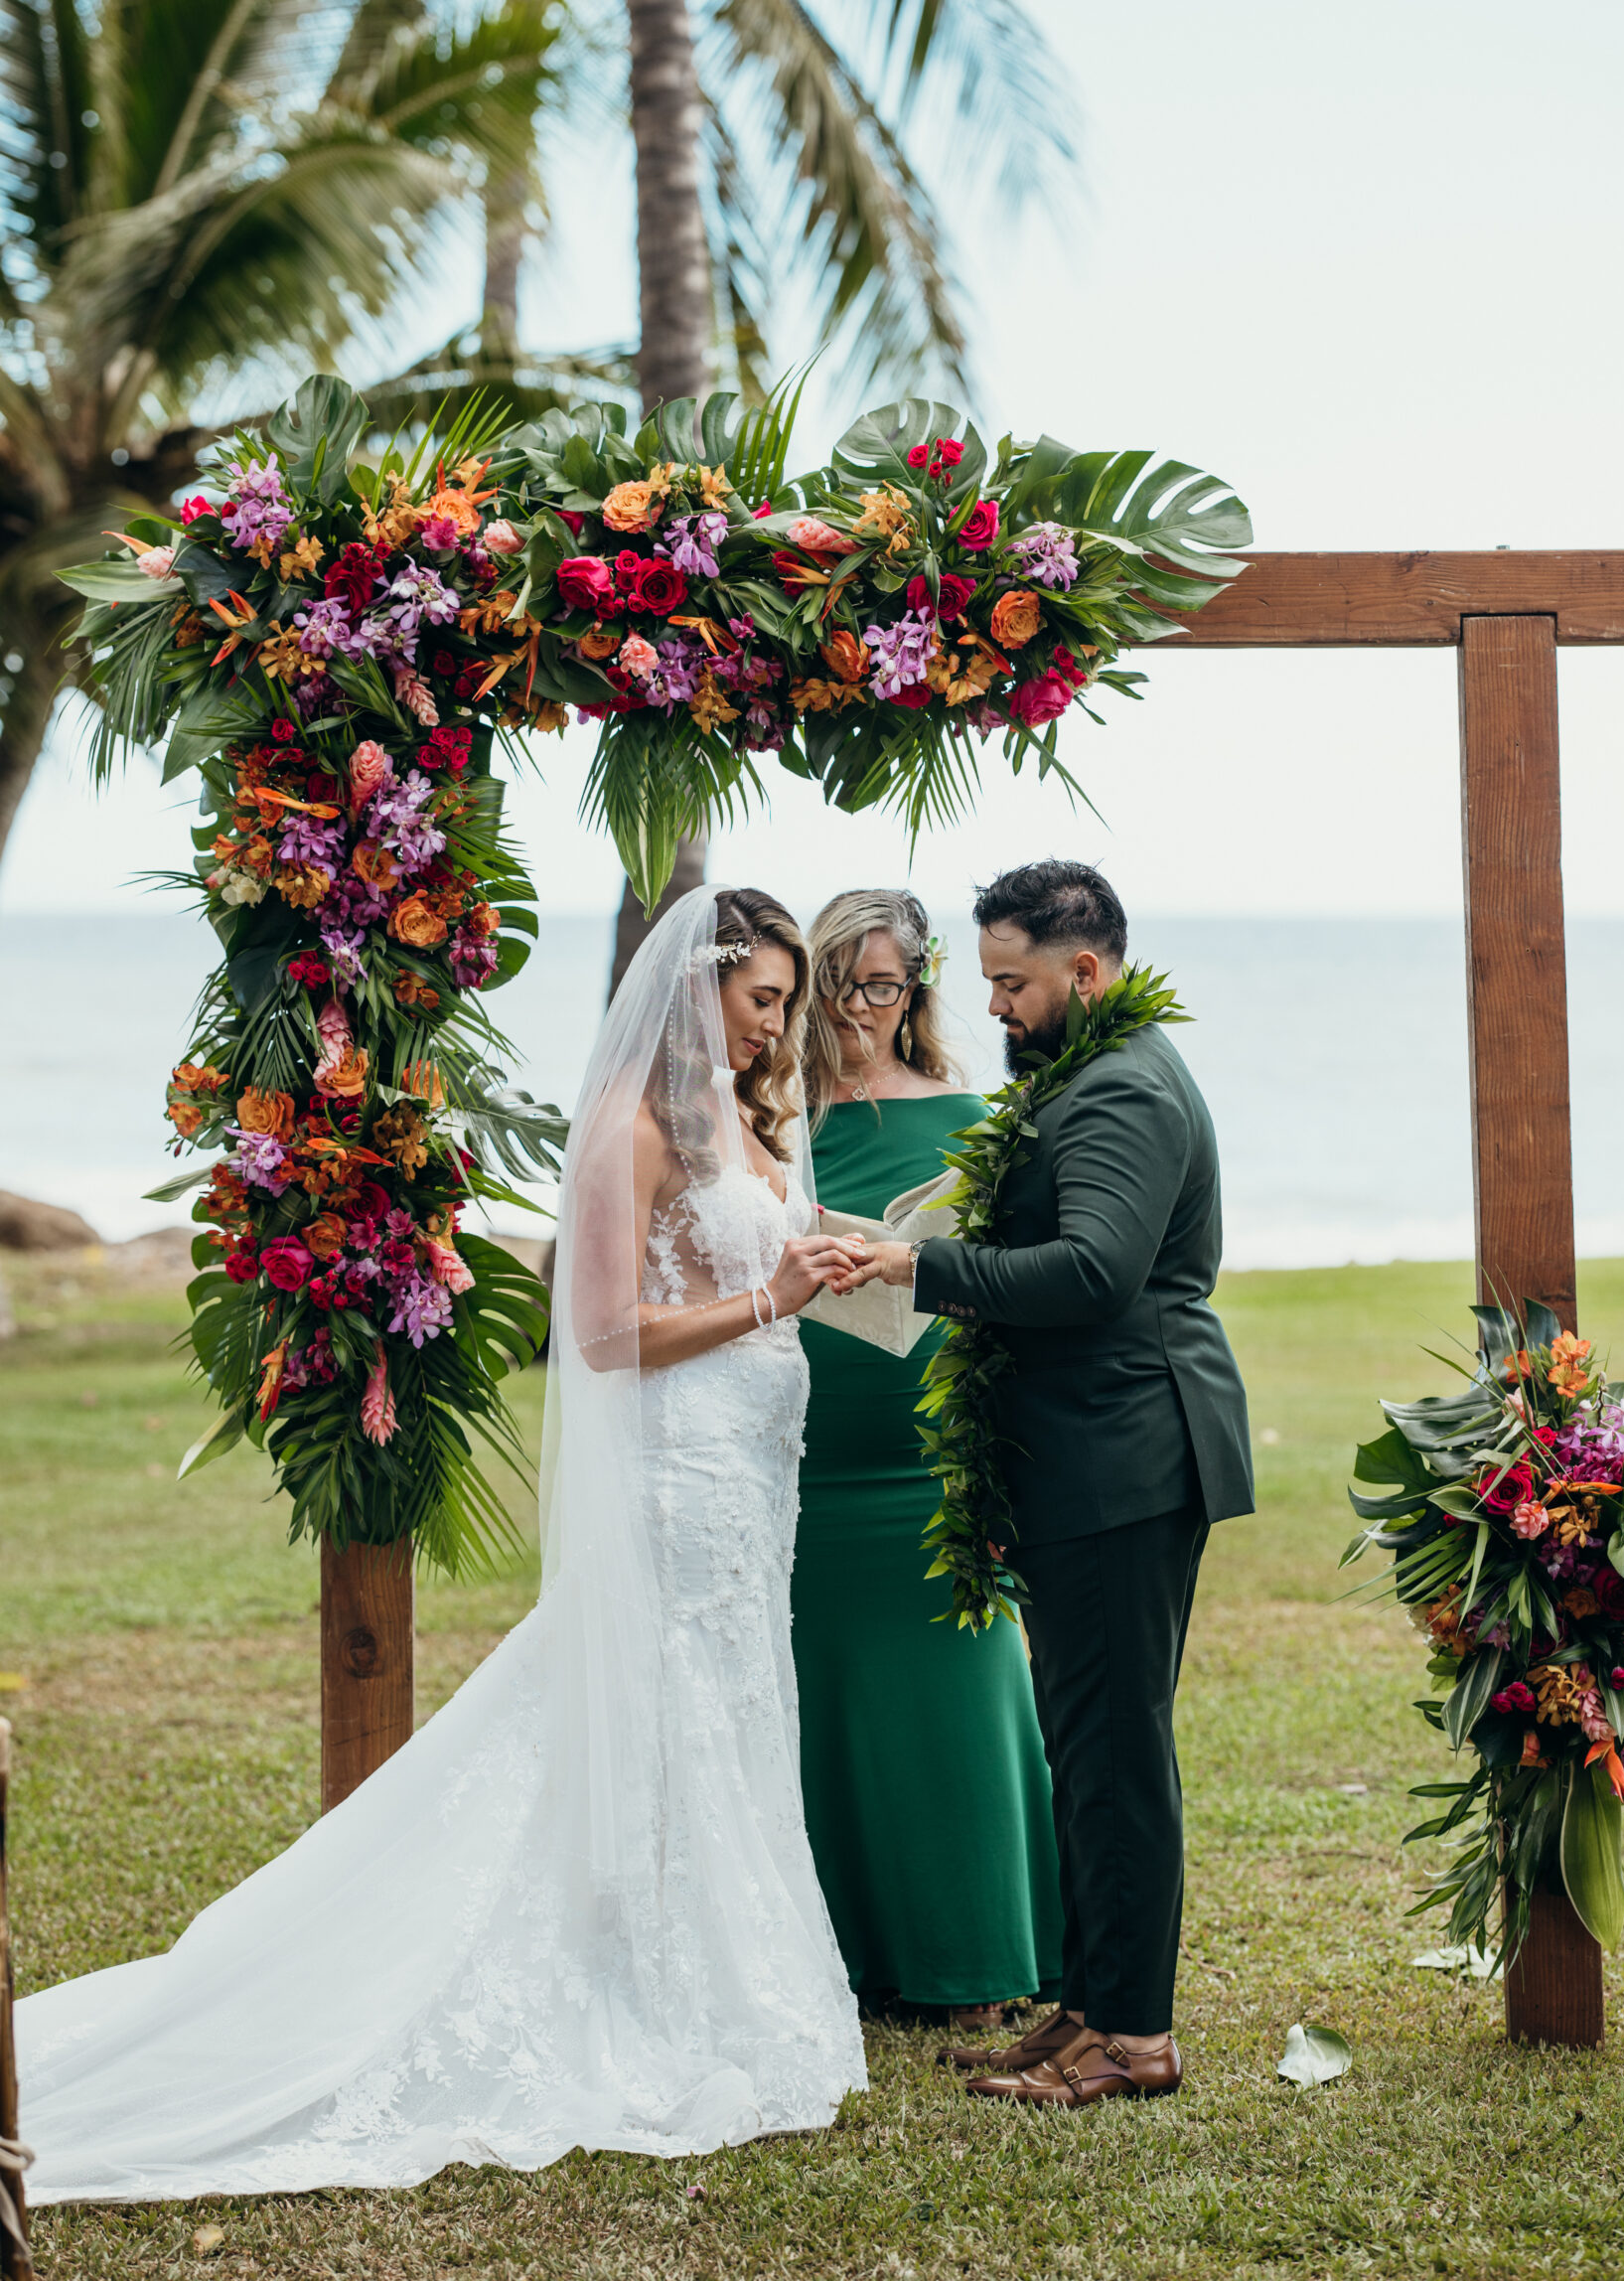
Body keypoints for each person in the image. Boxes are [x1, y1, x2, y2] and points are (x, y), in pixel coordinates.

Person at [17, 887, 868, 2200]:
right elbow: (597, 1334)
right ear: (695, 992)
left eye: (780, 1006)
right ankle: (636, 1986)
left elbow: (730, 1270)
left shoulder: (741, 1127)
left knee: (727, 1706)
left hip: (752, 1472)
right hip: (676, 1469)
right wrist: (772, 1294)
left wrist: (824, 1258)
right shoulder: (626, 1129)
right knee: (659, 1701)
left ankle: (717, 1978)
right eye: (759, 1001)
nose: (772, 1029)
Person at [837, 861, 1254, 2109]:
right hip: (1086, 1451)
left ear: (1086, 972)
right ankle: (1088, 2007)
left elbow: (1091, 1274)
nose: (998, 1008)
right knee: (1083, 1743)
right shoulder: (1086, 1071)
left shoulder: (1123, 1085)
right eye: (989, 984)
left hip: (1128, 1453)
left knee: (1118, 1752)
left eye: (1013, 984)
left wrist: (913, 1265)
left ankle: (1134, 2037)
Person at [793, 890, 1062, 2027]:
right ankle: (839, 1961)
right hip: (802, 1458)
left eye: (884, 984)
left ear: (918, 986)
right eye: (839, 984)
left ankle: (979, 1955)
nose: (861, 1009)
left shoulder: (972, 1111)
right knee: (821, 1706)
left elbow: (1017, 1278)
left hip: (934, 1455)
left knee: (968, 1696)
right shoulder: (770, 1116)